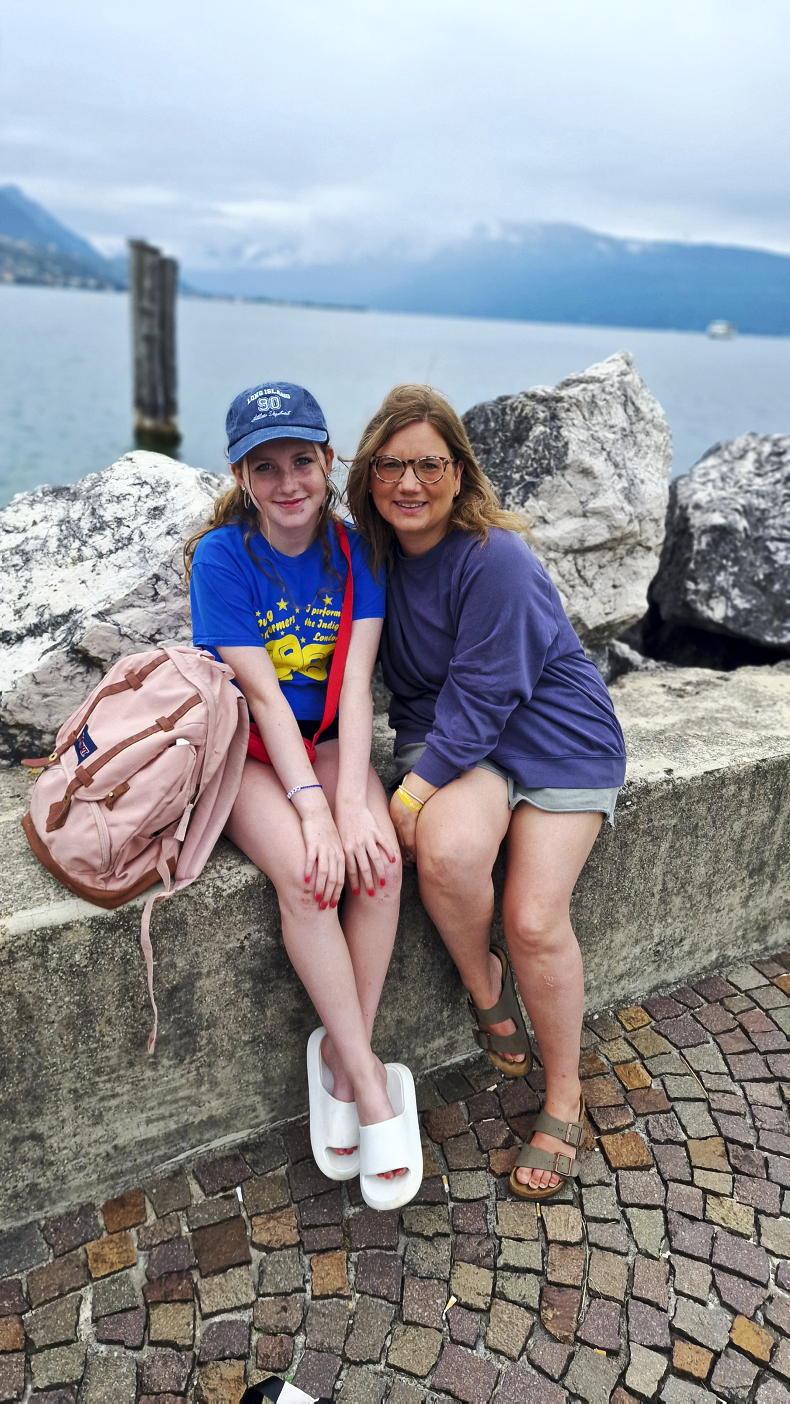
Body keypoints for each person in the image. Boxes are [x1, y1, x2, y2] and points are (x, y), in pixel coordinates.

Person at [346, 384, 627, 1201]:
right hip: (459, 740)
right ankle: (485, 986)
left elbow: (487, 692)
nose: (409, 483)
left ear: (460, 473)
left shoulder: (494, 556)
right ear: (367, 476)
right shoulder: (372, 561)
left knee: (533, 917)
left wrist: (406, 795)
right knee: (447, 852)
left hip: (555, 734)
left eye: (429, 465)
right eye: (390, 465)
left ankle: (565, 1095)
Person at [185, 381, 422, 1210]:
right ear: (241, 477)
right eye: (266, 467)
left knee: (379, 864)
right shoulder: (222, 558)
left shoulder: (358, 554)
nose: (288, 482)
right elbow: (258, 696)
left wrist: (352, 803)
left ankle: (339, 1060)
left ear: (328, 461)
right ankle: (371, 1085)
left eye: (301, 461)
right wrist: (313, 812)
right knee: (309, 876)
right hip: (248, 750)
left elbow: (354, 687)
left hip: (327, 739)